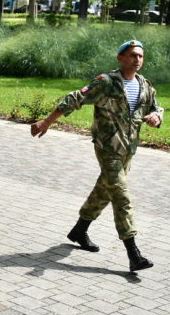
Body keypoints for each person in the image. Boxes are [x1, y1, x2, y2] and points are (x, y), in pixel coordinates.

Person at [30, 40, 163, 273]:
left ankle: (80, 230)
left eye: (140, 56)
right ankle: (134, 254)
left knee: (104, 190)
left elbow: (155, 108)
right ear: (120, 58)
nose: (137, 60)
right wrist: (46, 122)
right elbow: (74, 98)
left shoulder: (144, 85)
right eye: (132, 55)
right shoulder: (106, 82)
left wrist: (156, 117)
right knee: (121, 197)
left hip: (128, 149)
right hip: (107, 147)